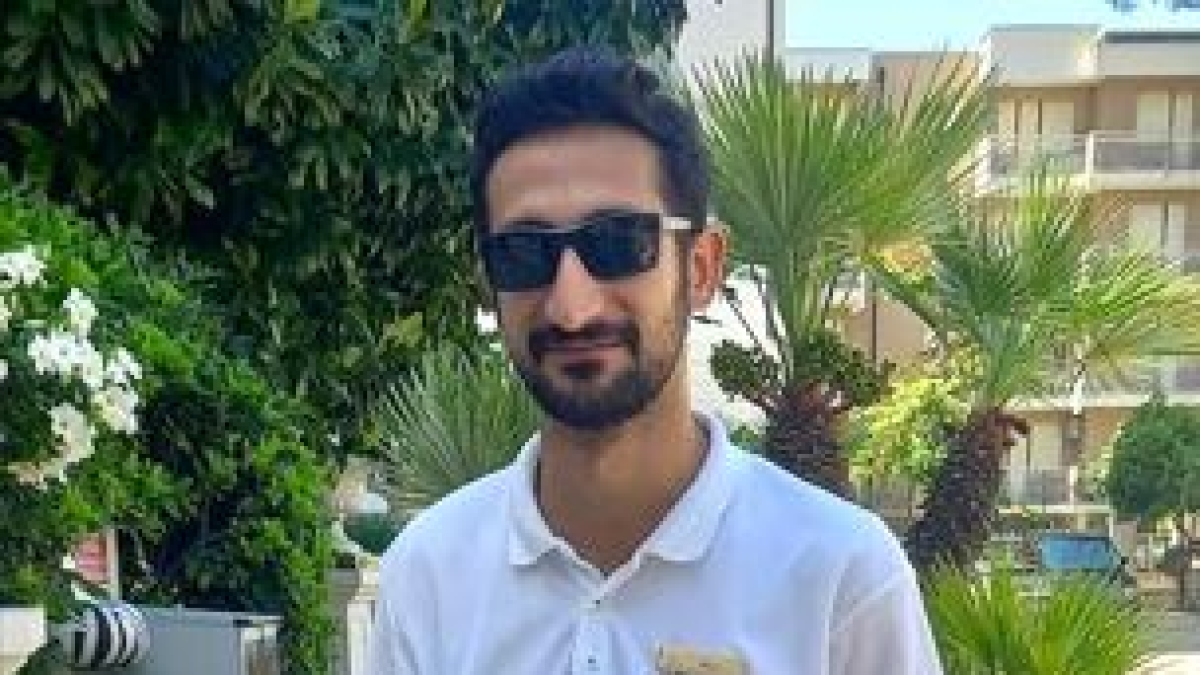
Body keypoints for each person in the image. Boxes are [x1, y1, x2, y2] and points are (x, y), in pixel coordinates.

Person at [369, 46, 943, 674]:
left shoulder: (841, 578)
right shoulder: (428, 576)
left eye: (618, 242)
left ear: (701, 268)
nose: (572, 307)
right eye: (524, 253)